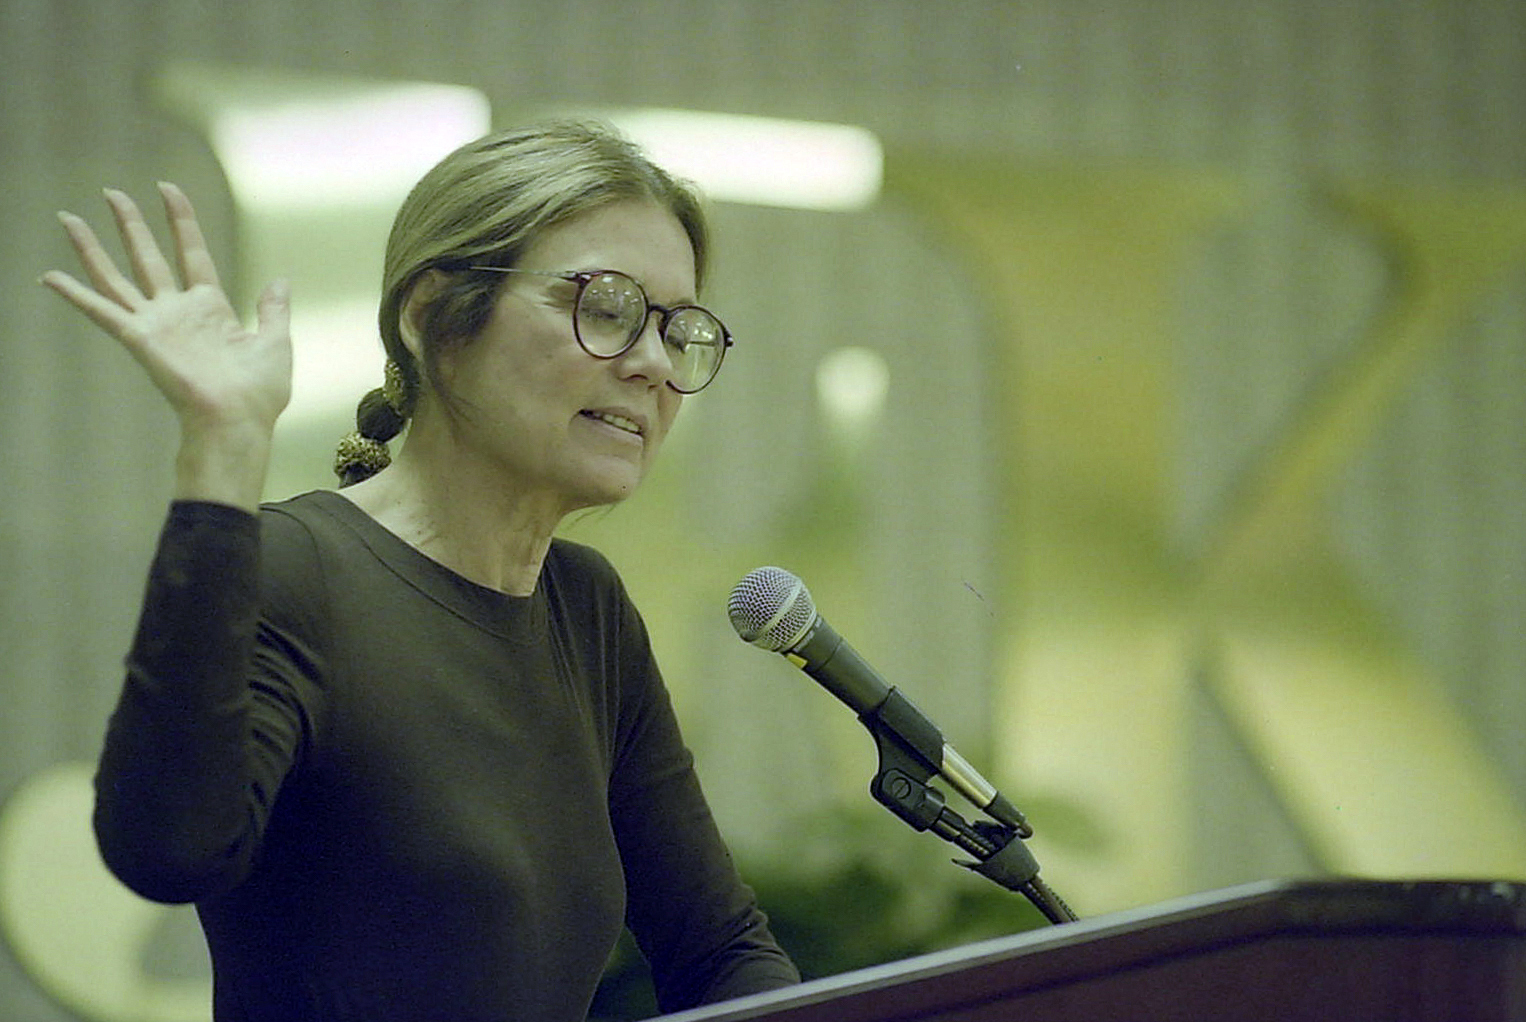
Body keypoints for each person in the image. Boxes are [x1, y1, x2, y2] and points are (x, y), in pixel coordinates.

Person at [41, 121, 800, 1022]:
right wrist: (223, 450)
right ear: (435, 316)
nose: (652, 364)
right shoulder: (297, 571)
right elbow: (167, 850)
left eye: (678, 330)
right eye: (607, 307)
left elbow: (720, 953)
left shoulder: (586, 608)